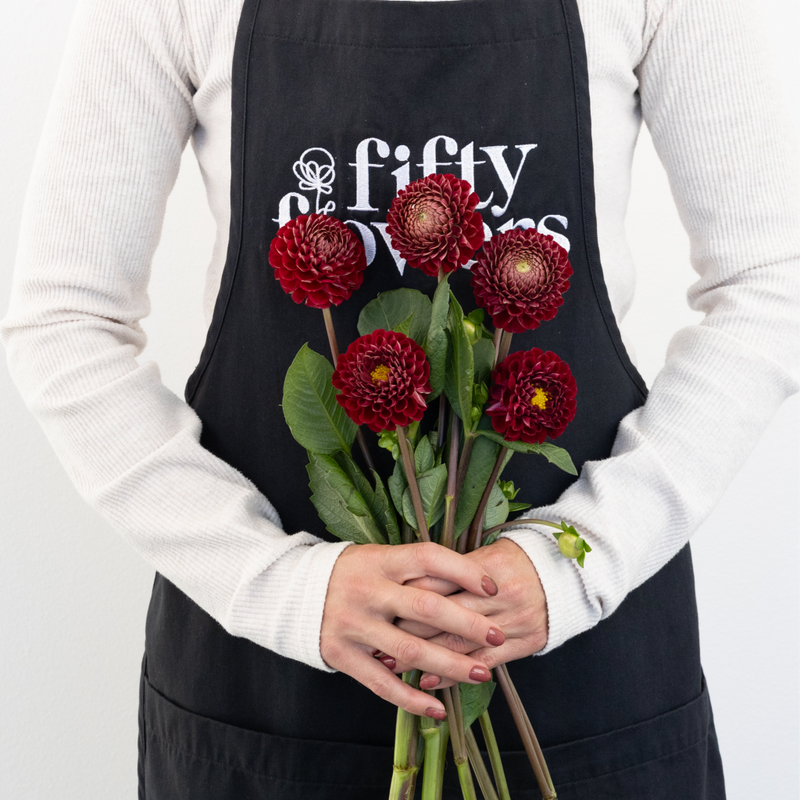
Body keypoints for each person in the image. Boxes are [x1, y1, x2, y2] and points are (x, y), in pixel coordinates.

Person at [3, 0, 799, 797]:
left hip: (581, 677)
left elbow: (771, 286)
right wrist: (284, 588)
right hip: (267, 689)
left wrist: (573, 564)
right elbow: (65, 321)